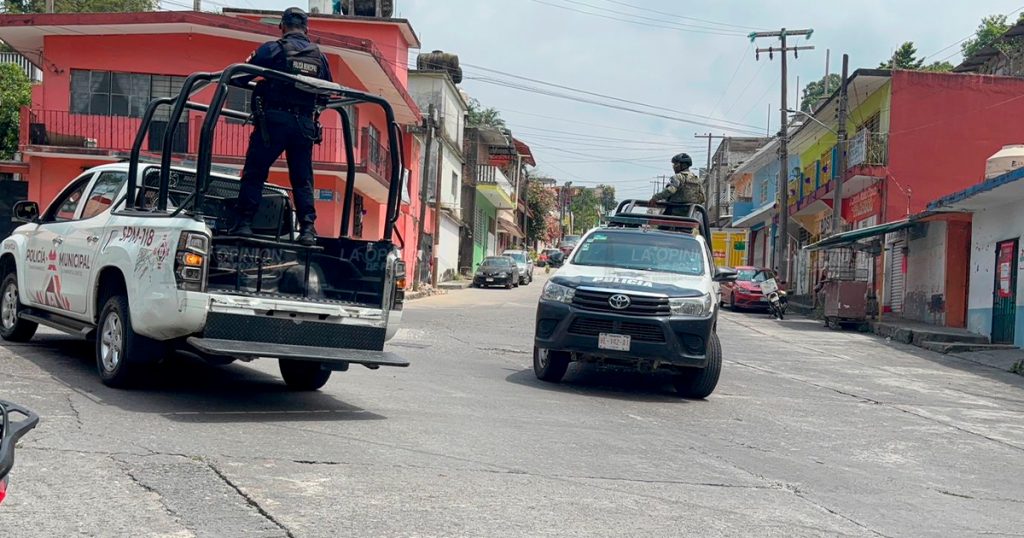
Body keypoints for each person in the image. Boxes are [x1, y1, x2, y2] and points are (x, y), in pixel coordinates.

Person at [230, 7, 334, 246]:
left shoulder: (273, 49)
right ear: (307, 29)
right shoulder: (320, 57)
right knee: (302, 178)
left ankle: (245, 223)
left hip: (274, 123)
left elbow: (239, 76)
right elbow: (327, 92)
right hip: (305, 126)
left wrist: (266, 80)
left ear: (282, 26)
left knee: (255, 171)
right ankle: (308, 229)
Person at [651, 153, 706, 217]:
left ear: (683, 165)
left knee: (662, 224)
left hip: (674, 211)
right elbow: (703, 198)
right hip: (690, 214)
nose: (674, 166)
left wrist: (655, 197)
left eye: (675, 164)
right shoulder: (696, 179)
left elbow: (670, 190)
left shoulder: (678, 177)